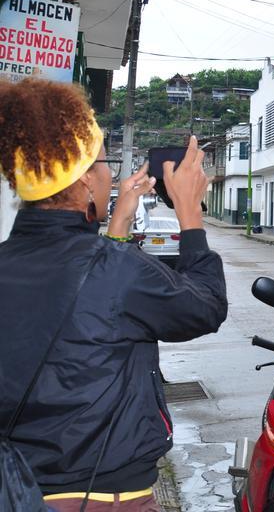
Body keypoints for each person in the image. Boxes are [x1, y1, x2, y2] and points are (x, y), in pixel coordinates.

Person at [0, 79, 227, 510]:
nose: (113, 174)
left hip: (18, 489)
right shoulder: (115, 269)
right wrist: (191, 215)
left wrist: (117, 224)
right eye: (105, 162)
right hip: (104, 496)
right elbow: (205, 308)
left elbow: (86, 294)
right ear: (86, 179)